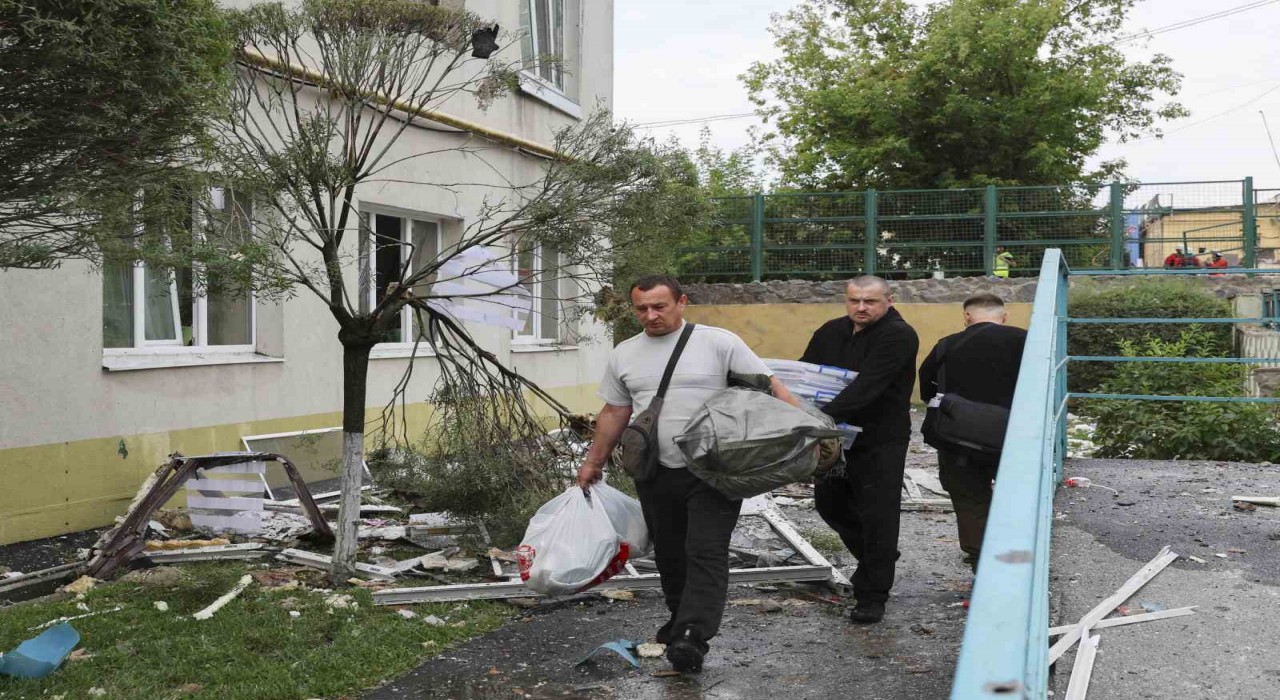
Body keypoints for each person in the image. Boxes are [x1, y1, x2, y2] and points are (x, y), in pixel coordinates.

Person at [576, 274, 802, 674]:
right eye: (642, 308)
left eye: (659, 306)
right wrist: (594, 462)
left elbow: (771, 390)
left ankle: (692, 636)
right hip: (655, 469)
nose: (650, 315)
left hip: (715, 470)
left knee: (705, 549)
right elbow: (615, 411)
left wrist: (807, 435)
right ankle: (680, 617)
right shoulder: (625, 354)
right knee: (669, 551)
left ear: (681, 302)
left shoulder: (718, 342)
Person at [799, 276, 919, 624]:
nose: (861, 308)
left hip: (879, 440)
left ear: (889, 300)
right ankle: (876, 558)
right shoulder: (830, 331)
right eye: (854, 301)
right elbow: (806, 371)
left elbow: (868, 388)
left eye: (870, 301)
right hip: (833, 439)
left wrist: (814, 418)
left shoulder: (898, 335)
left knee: (878, 514)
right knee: (830, 504)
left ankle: (873, 595)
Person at [918, 294, 1026, 573]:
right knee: (1015, 494)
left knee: (968, 495)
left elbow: (927, 390)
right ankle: (1015, 552)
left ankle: (979, 555)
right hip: (1014, 434)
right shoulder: (1027, 341)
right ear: (1005, 316)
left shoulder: (946, 345)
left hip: (958, 437)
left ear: (967, 316)